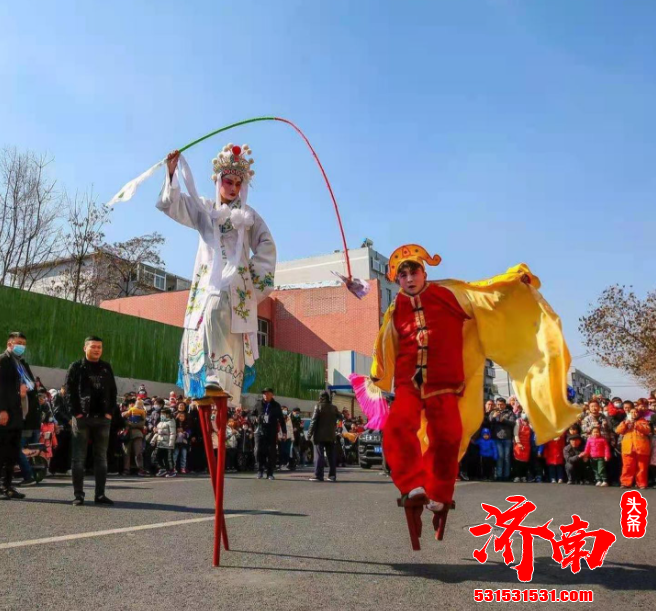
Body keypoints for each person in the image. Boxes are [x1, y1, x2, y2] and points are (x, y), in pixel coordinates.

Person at [354, 244, 579, 541]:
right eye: (403, 274)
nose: (409, 278)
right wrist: (377, 376)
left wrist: (513, 281)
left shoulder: (450, 294)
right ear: (397, 279)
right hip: (410, 384)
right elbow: (384, 344)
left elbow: (485, 293)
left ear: (424, 273)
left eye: (414, 271)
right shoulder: (395, 310)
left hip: (445, 383)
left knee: (447, 438)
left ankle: (438, 493)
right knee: (397, 428)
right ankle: (412, 485)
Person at [159, 145, 276, 404]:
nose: (233, 188)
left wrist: (252, 282)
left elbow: (267, 245)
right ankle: (210, 373)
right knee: (209, 311)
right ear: (218, 181)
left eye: (238, 183)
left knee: (223, 316)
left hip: (236, 283)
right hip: (210, 280)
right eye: (228, 181)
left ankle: (223, 379)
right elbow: (174, 205)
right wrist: (171, 173)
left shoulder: (249, 216)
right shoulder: (206, 210)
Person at [66, 336, 117, 506]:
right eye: (94, 347)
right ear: (85, 348)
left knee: (101, 457)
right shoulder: (76, 367)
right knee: (78, 458)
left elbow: (113, 392)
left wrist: (109, 413)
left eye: (100, 347)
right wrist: (76, 413)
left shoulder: (106, 367)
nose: (97, 350)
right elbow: (69, 393)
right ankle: (78, 495)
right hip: (82, 419)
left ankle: (100, 494)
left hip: (103, 419)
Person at [0, 332, 39, 499]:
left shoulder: (21, 364)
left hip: (18, 414)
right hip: (5, 413)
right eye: (18, 342)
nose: (21, 346)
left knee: (12, 452)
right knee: (2, 451)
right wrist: (1, 410)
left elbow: (30, 385)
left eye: (23, 343)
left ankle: (7, 486)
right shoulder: (3, 361)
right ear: (9, 344)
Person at [616, 407, 652, 489]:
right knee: (627, 466)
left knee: (642, 467)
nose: (634, 414)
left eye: (635, 412)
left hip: (642, 449)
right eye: (631, 412)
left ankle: (642, 483)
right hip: (628, 448)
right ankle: (625, 483)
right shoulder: (625, 422)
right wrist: (625, 424)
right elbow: (618, 431)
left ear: (639, 414)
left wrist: (636, 425)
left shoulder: (643, 421)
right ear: (628, 414)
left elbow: (647, 430)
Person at [308, 391, 340, 482]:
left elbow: (313, 422)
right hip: (331, 435)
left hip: (319, 435)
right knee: (331, 456)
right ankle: (332, 475)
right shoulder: (334, 408)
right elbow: (340, 417)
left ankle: (318, 475)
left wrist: (309, 434)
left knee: (319, 455)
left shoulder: (318, 406)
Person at [255, 388, 285, 480]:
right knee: (258, 451)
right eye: (264, 394)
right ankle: (260, 470)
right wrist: (255, 419)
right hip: (260, 430)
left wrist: (284, 432)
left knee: (271, 452)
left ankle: (270, 473)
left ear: (272, 395)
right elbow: (252, 415)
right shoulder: (258, 404)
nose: (265, 396)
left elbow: (281, 419)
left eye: (268, 394)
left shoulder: (276, 405)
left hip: (271, 431)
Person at [489, 397, 516, 482]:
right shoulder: (493, 412)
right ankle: (499, 475)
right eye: (498, 404)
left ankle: (506, 475)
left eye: (501, 404)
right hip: (497, 438)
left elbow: (513, 423)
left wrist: (503, 420)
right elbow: (489, 421)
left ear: (505, 405)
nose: (500, 406)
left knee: (507, 457)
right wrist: (494, 417)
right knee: (500, 456)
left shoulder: (510, 413)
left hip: (507, 438)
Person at [123, 399, 147, 476]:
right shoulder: (126, 412)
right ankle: (126, 469)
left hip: (137, 434)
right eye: (131, 403)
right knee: (126, 452)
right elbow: (122, 420)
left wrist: (130, 424)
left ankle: (140, 468)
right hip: (127, 435)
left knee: (138, 452)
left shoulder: (142, 412)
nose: (133, 405)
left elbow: (141, 424)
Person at [152, 407, 177, 477]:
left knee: (168, 458)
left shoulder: (171, 421)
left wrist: (171, 443)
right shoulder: (160, 422)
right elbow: (157, 433)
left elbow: (173, 433)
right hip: (160, 442)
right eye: (161, 413)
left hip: (168, 443)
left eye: (163, 413)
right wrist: (153, 440)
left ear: (168, 414)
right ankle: (162, 468)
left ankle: (171, 471)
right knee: (156, 456)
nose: (161, 415)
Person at [512, 409, 531, 483]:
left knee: (525, 461)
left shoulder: (530, 422)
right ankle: (517, 476)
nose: (525, 414)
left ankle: (523, 476)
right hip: (518, 444)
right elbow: (516, 433)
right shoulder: (518, 421)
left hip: (527, 444)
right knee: (517, 461)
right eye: (523, 412)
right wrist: (518, 443)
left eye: (526, 412)